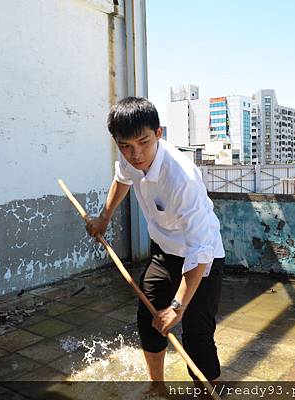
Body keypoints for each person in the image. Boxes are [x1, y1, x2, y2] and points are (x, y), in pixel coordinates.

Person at [86, 96, 225, 383]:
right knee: (149, 318)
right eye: (125, 146)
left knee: (197, 335)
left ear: (158, 133)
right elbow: (121, 180)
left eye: (143, 142)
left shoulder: (182, 177)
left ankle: (207, 391)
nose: (136, 154)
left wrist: (178, 306)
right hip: (163, 251)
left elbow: (200, 251)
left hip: (202, 258)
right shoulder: (130, 160)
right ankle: (157, 385)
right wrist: (104, 219)